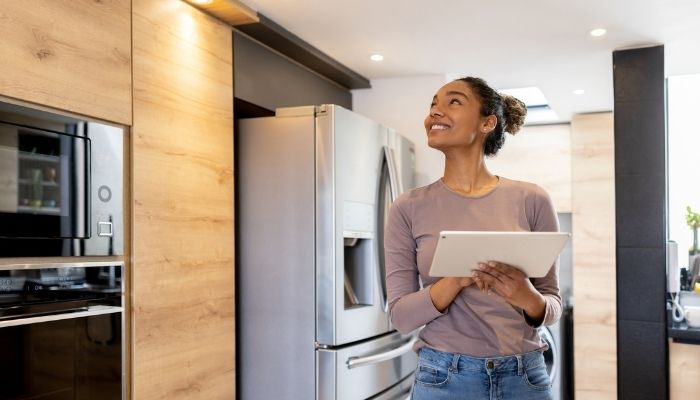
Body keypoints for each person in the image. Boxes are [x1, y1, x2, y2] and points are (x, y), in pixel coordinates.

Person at [385, 76, 561, 400]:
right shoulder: (407, 208)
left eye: (453, 102)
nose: (435, 112)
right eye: (432, 105)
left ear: (487, 122)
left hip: (523, 377)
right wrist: (454, 280)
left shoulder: (532, 199)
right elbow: (400, 316)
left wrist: (525, 296)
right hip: (441, 378)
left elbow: (552, 304)